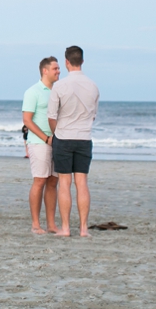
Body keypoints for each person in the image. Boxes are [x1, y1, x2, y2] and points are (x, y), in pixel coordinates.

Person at [47, 46, 99, 237]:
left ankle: (66, 228)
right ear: (82, 61)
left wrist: (57, 133)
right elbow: (93, 115)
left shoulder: (60, 86)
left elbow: (51, 116)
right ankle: (84, 228)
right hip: (84, 137)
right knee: (82, 182)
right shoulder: (93, 86)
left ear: (67, 62)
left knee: (65, 182)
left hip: (64, 136)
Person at [22, 56, 61, 235]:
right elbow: (27, 120)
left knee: (53, 182)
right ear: (45, 71)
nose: (58, 72)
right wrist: (46, 139)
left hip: (58, 141)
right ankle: (36, 224)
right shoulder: (33, 91)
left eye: (59, 69)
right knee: (40, 180)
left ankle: (51, 224)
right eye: (55, 69)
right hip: (40, 142)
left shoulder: (59, 90)